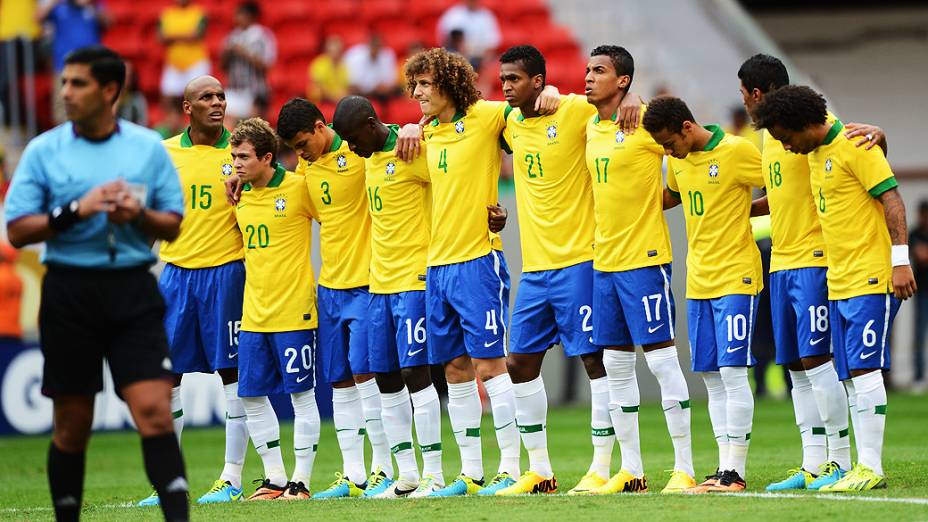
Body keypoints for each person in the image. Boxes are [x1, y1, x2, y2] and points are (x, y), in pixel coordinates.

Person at [4, 46, 188, 521]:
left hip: (131, 289)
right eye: (64, 82)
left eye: (77, 83)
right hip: (69, 291)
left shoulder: (147, 148)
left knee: (154, 411)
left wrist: (138, 214)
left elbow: (172, 224)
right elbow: (18, 229)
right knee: (72, 424)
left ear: (110, 91)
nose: (65, 92)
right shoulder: (45, 150)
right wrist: (75, 210)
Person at [394, 47, 558, 497]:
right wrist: (410, 126)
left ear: (448, 84)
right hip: (437, 267)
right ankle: (471, 473)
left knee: (489, 364)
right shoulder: (423, 135)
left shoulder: (487, 117)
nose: (418, 92)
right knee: (454, 369)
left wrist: (555, 92)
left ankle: (511, 467)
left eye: (426, 84)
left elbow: (529, 113)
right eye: (415, 85)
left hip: (477, 262)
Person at [492, 45, 648, 497]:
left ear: (538, 81)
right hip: (536, 269)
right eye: (503, 79)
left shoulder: (576, 109)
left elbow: (621, 104)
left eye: (515, 79)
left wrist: (636, 99)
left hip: (581, 260)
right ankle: (539, 470)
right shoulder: (510, 121)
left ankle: (603, 467)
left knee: (596, 361)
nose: (505, 87)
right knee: (519, 362)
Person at [753, 84, 917, 491]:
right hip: (838, 278)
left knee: (863, 368)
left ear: (806, 124)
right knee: (847, 374)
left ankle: (872, 468)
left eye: (787, 138)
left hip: (871, 274)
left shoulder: (855, 145)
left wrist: (900, 261)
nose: (786, 148)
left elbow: (892, 199)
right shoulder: (815, 153)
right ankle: (849, 466)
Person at [737, 54, 856, 492]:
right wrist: (741, 211)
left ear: (755, 93)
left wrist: (876, 136)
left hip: (814, 259)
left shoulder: (810, 123)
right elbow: (781, 194)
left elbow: (848, 147)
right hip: (782, 262)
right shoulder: (772, 138)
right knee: (794, 367)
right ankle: (812, 463)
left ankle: (840, 460)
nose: (744, 106)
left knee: (816, 359)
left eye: (743, 95)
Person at [582, 46, 695, 495]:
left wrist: (665, 198)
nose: (588, 77)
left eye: (599, 71)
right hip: (603, 262)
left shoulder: (648, 121)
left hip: (644, 261)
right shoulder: (589, 125)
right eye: (587, 69)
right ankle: (631, 470)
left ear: (624, 81)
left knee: (663, 361)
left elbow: (692, 152)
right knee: (615, 366)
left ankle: (683, 467)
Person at [643, 95, 765, 493]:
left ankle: (736, 472)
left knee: (732, 373)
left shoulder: (737, 151)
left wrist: (745, 210)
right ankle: (721, 470)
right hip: (699, 280)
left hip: (736, 276)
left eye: (668, 143)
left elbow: (783, 183)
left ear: (687, 128)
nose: (667, 152)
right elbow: (675, 197)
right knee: (711, 376)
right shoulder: (678, 162)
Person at [273, 98, 393, 498]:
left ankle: (383, 468)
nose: (299, 152)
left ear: (322, 126)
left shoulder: (360, 152)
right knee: (340, 380)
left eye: (303, 142)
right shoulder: (306, 168)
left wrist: (409, 129)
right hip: (330, 286)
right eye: (293, 148)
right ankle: (353, 475)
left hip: (367, 282)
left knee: (366, 374)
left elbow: (388, 136)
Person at [137, 75, 249, 507]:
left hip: (227, 273)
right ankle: (171, 481)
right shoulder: (164, 154)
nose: (217, 102)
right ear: (188, 108)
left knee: (233, 375)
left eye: (221, 95)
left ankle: (232, 478)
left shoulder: (242, 151)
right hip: (177, 275)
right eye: (207, 97)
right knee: (167, 378)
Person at [330, 95, 446, 498]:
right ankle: (407, 475)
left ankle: (435, 473)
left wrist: (419, 127)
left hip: (414, 279)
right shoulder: (367, 159)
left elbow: (452, 181)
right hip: (378, 284)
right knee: (385, 377)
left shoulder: (412, 149)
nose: (348, 146)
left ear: (369, 123)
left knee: (417, 372)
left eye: (350, 137)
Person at [229, 117, 321, 501]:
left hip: (294, 310)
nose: (235, 164)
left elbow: (338, 223)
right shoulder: (239, 194)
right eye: (233, 156)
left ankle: (301, 481)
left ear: (267, 158)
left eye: (244, 157)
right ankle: (274, 479)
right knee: (249, 395)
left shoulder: (300, 188)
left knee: (302, 397)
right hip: (254, 313)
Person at [38, 0, 111, 124]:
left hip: (92, 66)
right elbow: (38, 17)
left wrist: (92, 6)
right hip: (64, 66)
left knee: (93, 105)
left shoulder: (94, 4)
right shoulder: (59, 6)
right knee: (62, 108)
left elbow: (109, 22)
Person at [220, 1, 276, 119]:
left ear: (250, 16)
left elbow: (266, 65)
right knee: (227, 126)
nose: (236, 18)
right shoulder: (232, 37)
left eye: (240, 14)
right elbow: (222, 67)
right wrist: (226, 54)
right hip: (234, 89)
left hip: (255, 91)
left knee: (254, 128)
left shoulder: (263, 36)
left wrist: (244, 53)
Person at [158, 0, 210, 107]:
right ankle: (172, 123)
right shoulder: (167, 14)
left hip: (195, 63)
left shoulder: (199, 13)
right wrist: (186, 34)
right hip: (174, 63)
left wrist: (172, 36)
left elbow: (196, 35)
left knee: (198, 98)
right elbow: (161, 37)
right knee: (168, 98)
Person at [436, 0, 500, 69]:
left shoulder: (487, 16)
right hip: (456, 55)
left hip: (479, 58)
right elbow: (447, 39)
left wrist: (485, 63)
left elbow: (492, 45)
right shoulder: (453, 14)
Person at [343, 34, 397, 104]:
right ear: (367, 45)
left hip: (380, 96)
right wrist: (371, 89)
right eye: (373, 46)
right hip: (358, 94)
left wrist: (383, 87)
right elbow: (352, 85)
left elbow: (391, 84)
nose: (375, 49)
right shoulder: (354, 55)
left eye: (378, 47)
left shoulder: (387, 55)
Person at [910, 200, 928, 391]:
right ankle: (919, 377)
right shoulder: (915, 234)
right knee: (919, 335)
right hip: (922, 291)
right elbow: (920, 257)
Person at [307, 36, 349, 104]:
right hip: (321, 100)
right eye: (332, 51)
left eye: (337, 51)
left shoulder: (344, 66)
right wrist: (333, 97)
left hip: (337, 99)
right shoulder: (319, 63)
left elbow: (345, 87)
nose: (334, 54)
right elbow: (319, 87)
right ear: (327, 51)